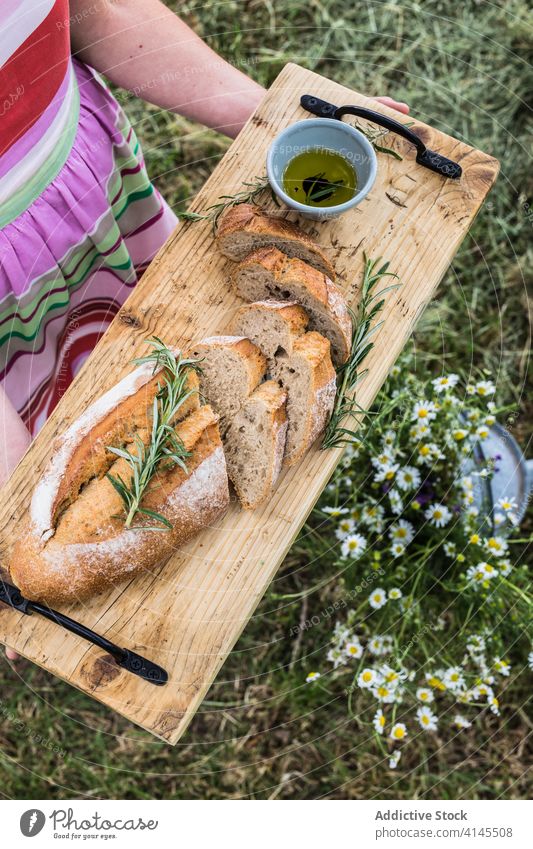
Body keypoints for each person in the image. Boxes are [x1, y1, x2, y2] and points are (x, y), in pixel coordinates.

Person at [1, 0, 408, 660]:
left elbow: (87, 11)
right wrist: (12, 491)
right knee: (48, 432)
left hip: (85, 190)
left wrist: (268, 119)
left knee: (129, 363)